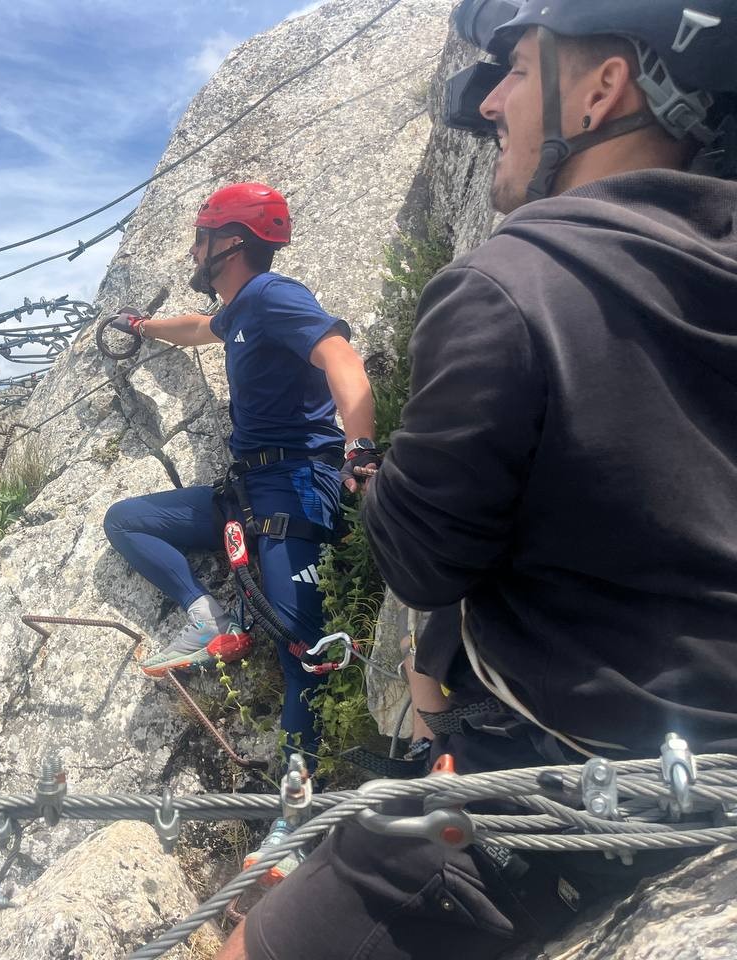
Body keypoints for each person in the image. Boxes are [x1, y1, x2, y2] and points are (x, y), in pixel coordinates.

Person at [227, 1, 737, 957]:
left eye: (516, 66)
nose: (492, 100)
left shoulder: (512, 281)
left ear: (603, 87)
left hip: (566, 797)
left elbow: (421, 559)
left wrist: (376, 471)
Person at [102, 181, 379, 881]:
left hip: (297, 485)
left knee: (303, 649)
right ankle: (210, 617)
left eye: (200, 237)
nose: (193, 250)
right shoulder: (239, 311)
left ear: (227, 242)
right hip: (248, 488)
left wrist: (359, 448)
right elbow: (202, 328)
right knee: (129, 521)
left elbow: (342, 359)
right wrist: (143, 329)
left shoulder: (276, 297)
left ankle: (294, 815)